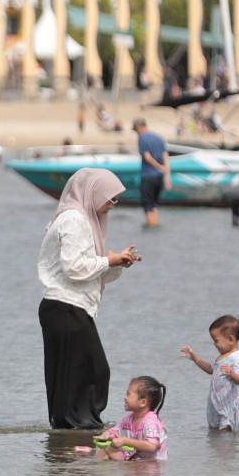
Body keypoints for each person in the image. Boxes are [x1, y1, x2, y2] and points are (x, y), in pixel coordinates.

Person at [36, 168, 140, 429]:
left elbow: (92, 274)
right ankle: (79, 430)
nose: (112, 206)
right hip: (65, 305)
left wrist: (117, 264)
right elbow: (74, 268)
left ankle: (72, 430)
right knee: (89, 373)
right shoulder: (74, 219)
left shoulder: (84, 220)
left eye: (116, 200)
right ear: (93, 193)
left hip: (71, 306)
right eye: (110, 198)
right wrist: (109, 259)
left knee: (79, 375)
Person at [180, 315, 239, 431]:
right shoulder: (221, 357)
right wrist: (195, 358)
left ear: (231, 339)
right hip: (216, 403)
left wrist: (232, 374)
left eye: (216, 341)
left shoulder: (236, 358)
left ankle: (227, 447)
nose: (214, 344)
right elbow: (211, 369)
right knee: (215, 432)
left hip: (227, 405)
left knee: (226, 431)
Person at [94, 376, 168, 460]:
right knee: (101, 446)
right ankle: (101, 467)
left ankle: (105, 463)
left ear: (143, 402)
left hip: (152, 465)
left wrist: (124, 441)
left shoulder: (151, 422)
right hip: (135, 460)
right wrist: (105, 436)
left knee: (109, 449)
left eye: (128, 394)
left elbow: (152, 446)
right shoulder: (127, 419)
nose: (125, 397)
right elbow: (113, 432)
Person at [133, 117, 171, 228]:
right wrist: (167, 177)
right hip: (159, 177)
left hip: (148, 176)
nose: (136, 133)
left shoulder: (142, 139)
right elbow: (166, 157)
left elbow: (147, 157)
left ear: (139, 127)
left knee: (147, 204)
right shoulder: (159, 138)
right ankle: (155, 225)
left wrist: (159, 167)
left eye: (135, 130)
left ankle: (151, 227)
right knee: (154, 204)